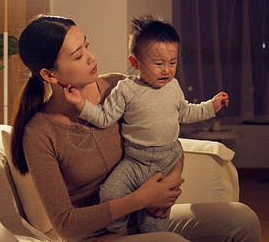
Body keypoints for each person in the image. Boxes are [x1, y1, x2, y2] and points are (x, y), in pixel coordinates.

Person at [10, 15, 261, 242]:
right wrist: (141, 199)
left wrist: (169, 186)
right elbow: (65, 225)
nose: (91, 57)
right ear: (49, 75)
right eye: (78, 55)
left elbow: (166, 139)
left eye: (87, 45)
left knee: (241, 219)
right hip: (99, 235)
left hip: (143, 218)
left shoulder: (121, 87)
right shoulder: (39, 133)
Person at [63, 15, 230, 238]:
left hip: (167, 160)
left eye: (172, 63)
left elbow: (186, 111)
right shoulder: (125, 89)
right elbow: (104, 117)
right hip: (135, 161)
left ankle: (153, 235)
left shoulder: (173, 87)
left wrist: (212, 106)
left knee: (157, 219)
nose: (167, 71)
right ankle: (120, 231)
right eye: (158, 64)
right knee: (110, 192)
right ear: (135, 63)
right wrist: (81, 105)